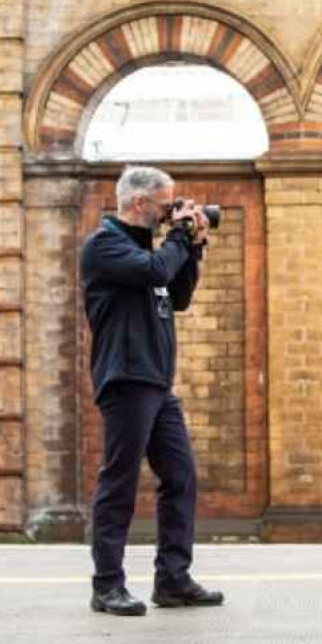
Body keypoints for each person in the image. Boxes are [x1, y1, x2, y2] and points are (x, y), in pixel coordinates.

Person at [81, 165, 223, 616]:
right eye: (166, 205)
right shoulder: (105, 245)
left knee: (181, 477)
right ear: (139, 203)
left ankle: (173, 580)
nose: (171, 213)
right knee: (119, 481)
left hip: (157, 383)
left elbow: (176, 295)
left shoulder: (148, 252)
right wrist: (180, 238)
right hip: (126, 379)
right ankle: (106, 586)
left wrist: (193, 248)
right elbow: (156, 269)